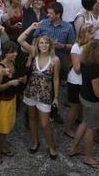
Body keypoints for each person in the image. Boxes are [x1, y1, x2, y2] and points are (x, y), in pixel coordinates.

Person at [68, 41, 99, 170]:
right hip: (93, 103)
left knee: (84, 122)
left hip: (83, 96)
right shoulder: (95, 70)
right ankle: (88, 157)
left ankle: (74, 148)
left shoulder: (85, 62)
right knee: (91, 128)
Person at [18, 25, 60, 160]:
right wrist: (31, 27)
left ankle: (51, 146)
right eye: (41, 42)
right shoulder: (34, 53)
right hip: (30, 92)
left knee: (45, 123)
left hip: (45, 95)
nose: (43, 45)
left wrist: (57, 97)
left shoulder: (55, 60)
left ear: (50, 44)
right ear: (38, 44)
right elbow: (20, 39)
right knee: (32, 119)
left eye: (46, 43)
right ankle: (35, 142)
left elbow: (56, 79)